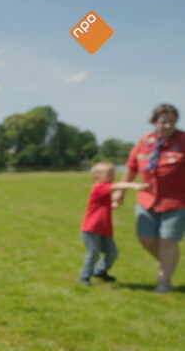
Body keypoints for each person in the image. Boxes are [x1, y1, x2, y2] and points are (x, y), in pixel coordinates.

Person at [113, 104, 185, 293]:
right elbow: (131, 167)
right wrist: (121, 191)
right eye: (163, 122)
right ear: (154, 122)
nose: (168, 125)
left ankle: (164, 282)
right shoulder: (144, 141)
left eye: (172, 121)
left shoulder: (183, 140)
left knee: (168, 241)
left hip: (176, 201)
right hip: (147, 199)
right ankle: (167, 262)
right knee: (145, 238)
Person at [77, 161, 147, 286]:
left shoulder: (104, 192)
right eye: (109, 175)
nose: (112, 177)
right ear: (96, 176)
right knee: (93, 253)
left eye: (113, 174)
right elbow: (118, 186)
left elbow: (103, 206)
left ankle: (99, 271)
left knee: (112, 253)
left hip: (105, 230)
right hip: (91, 229)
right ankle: (84, 276)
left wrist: (113, 205)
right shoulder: (98, 187)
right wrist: (134, 186)